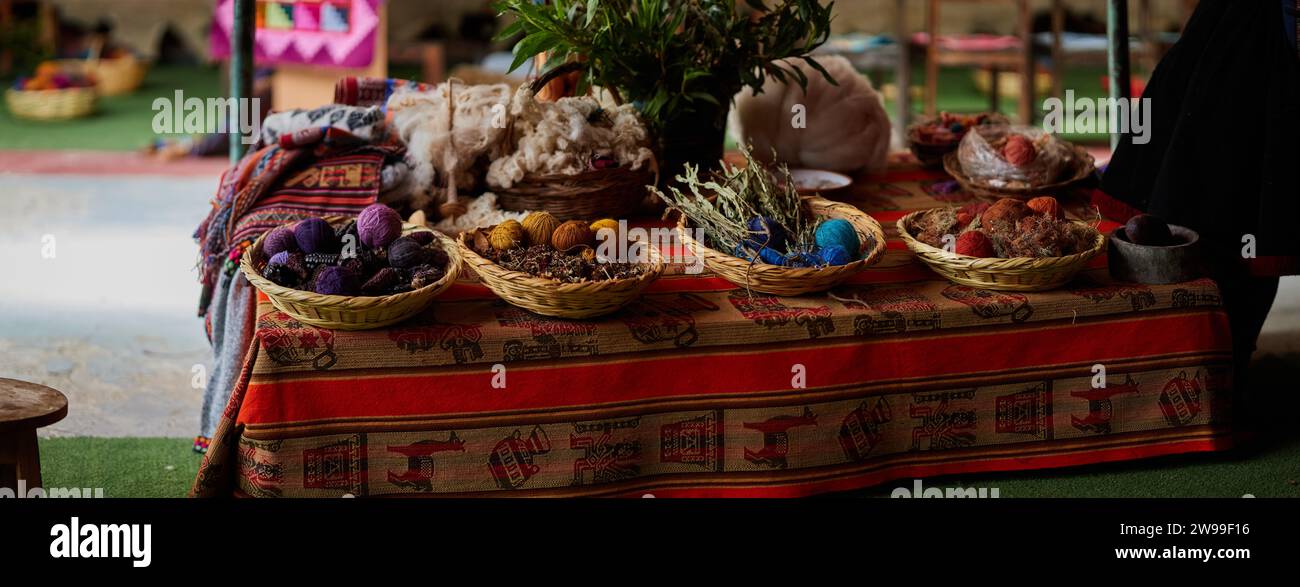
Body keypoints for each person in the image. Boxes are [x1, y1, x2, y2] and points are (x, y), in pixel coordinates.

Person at [1101, 0, 1299, 431]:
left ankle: (1225, 367)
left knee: (1253, 208)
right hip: (1239, 36)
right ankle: (1221, 367)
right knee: (1221, 202)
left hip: (1265, 37)